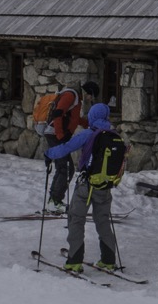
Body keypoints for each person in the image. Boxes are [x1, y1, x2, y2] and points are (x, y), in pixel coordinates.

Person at [43, 101, 126, 272]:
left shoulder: (88, 134)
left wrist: (48, 154)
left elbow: (66, 148)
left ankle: (74, 260)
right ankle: (108, 260)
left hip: (86, 186)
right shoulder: (114, 135)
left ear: (92, 117)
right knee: (102, 220)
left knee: (76, 219)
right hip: (105, 186)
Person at [33, 81, 100, 212]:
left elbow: (73, 118)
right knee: (65, 168)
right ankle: (55, 201)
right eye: (92, 96)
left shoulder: (76, 98)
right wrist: (60, 134)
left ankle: (54, 200)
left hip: (57, 134)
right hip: (54, 134)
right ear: (89, 92)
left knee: (64, 167)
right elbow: (57, 113)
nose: (90, 99)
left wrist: (88, 124)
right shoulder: (71, 95)